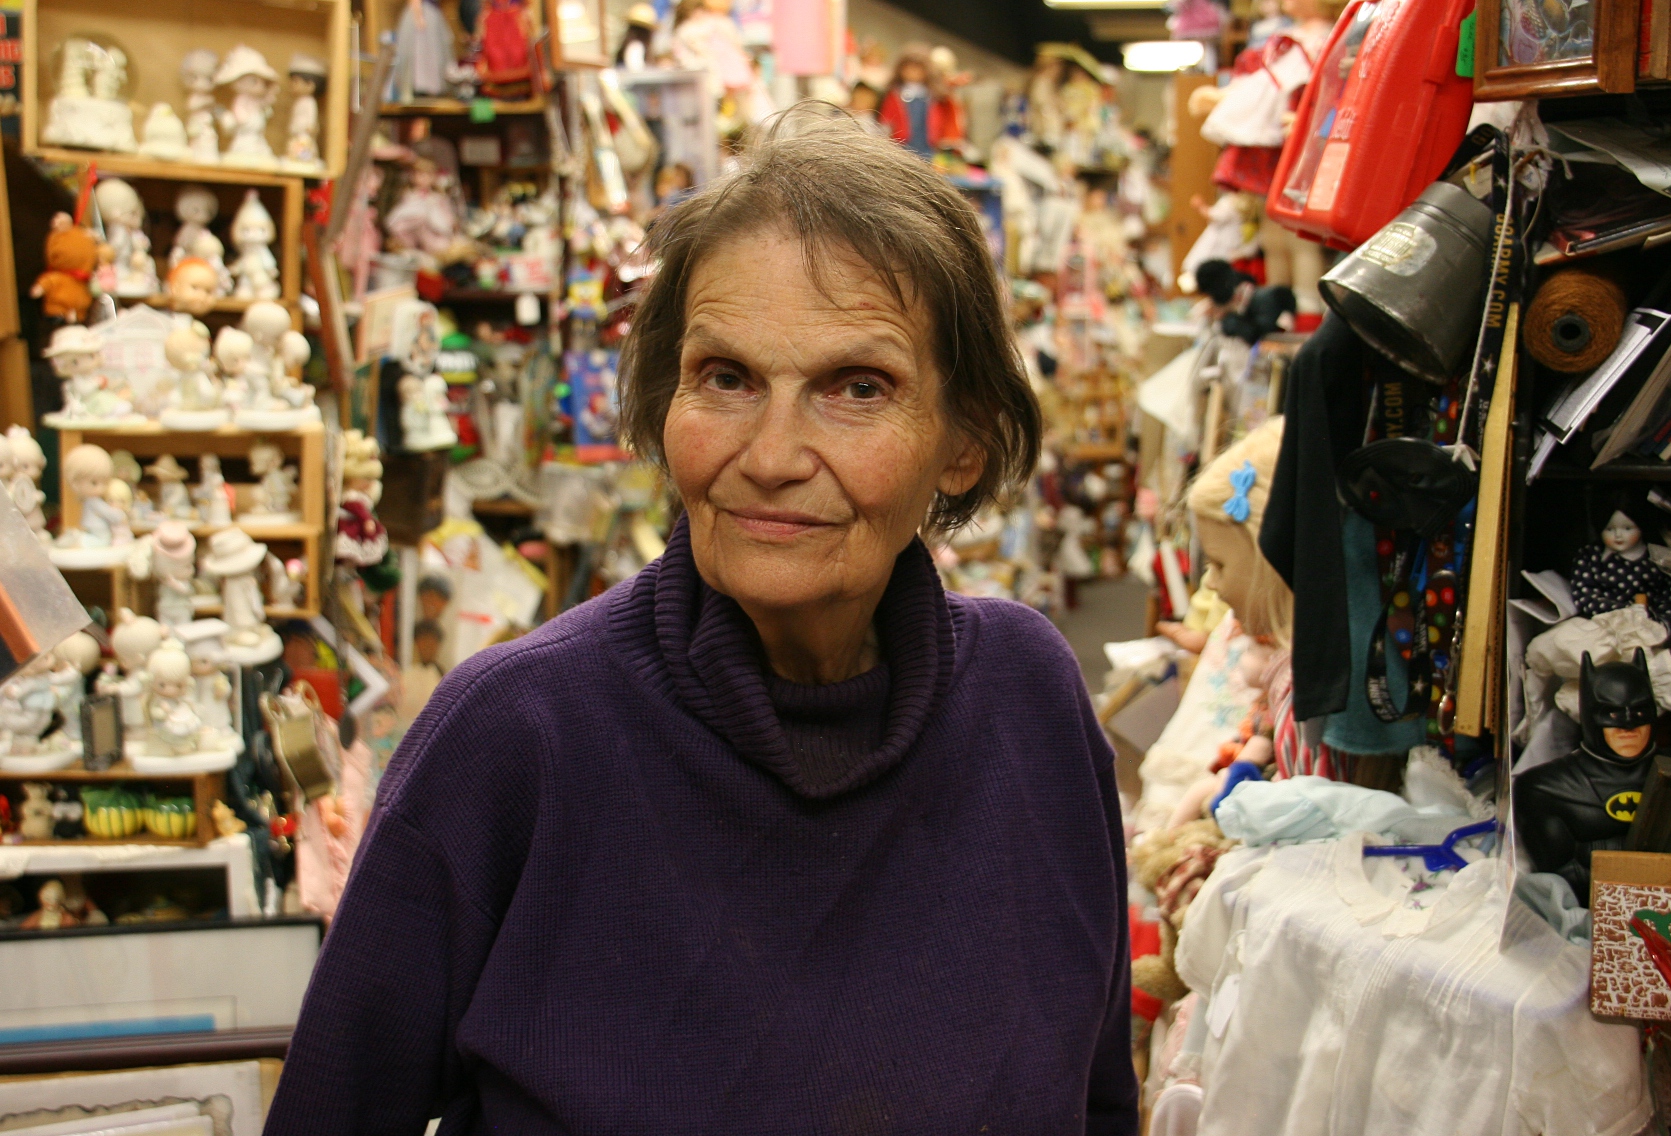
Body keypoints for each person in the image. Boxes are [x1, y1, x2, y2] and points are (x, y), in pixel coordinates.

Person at [264, 107, 1135, 1135]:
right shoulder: (517, 736)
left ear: (965, 444)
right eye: (726, 378)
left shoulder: (1026, 702)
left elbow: (1095, 1099)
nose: (770, 456)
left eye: (858, 388)